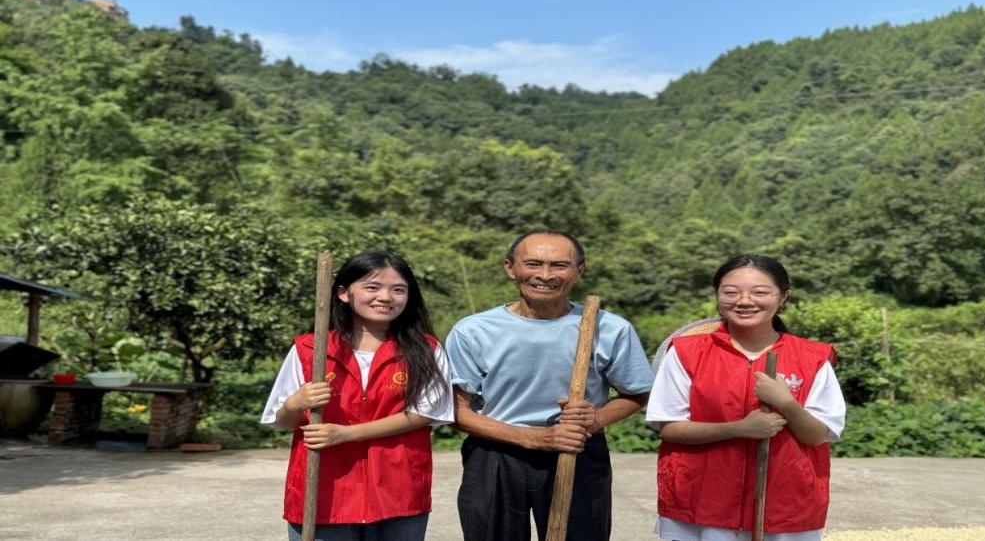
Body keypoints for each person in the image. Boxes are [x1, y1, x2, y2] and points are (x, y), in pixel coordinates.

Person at [446, 229, 654, 541]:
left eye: (559, 265)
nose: (545, 275)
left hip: (577, 448)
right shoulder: (474, 330)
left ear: (579, 271)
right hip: (496, 452)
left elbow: (638, 393)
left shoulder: (610, 328)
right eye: (533, 263)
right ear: (510, 268)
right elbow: (455, 411)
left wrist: (595, 419)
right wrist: (533, 438)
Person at [646, 254, 846, 541]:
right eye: (731, 292)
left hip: (785, 506)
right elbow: (670, 427)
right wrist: (740, 428)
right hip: (703, 502)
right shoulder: (686, 351)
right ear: (717, 295)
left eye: (760, 292)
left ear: (783, 297)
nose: (744, 301)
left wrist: (787, 403)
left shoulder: (812, 357)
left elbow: (818, 436)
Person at [260, 252, 453, 541]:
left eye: (398, 289)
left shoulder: (427, 350)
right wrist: (295, 403)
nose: (385, 297)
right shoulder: (309, 349)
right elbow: (283, 420)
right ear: (343, 293)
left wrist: (346, 434)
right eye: (372, 287)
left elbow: (426, 413)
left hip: (398, 492)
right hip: (324, 493)